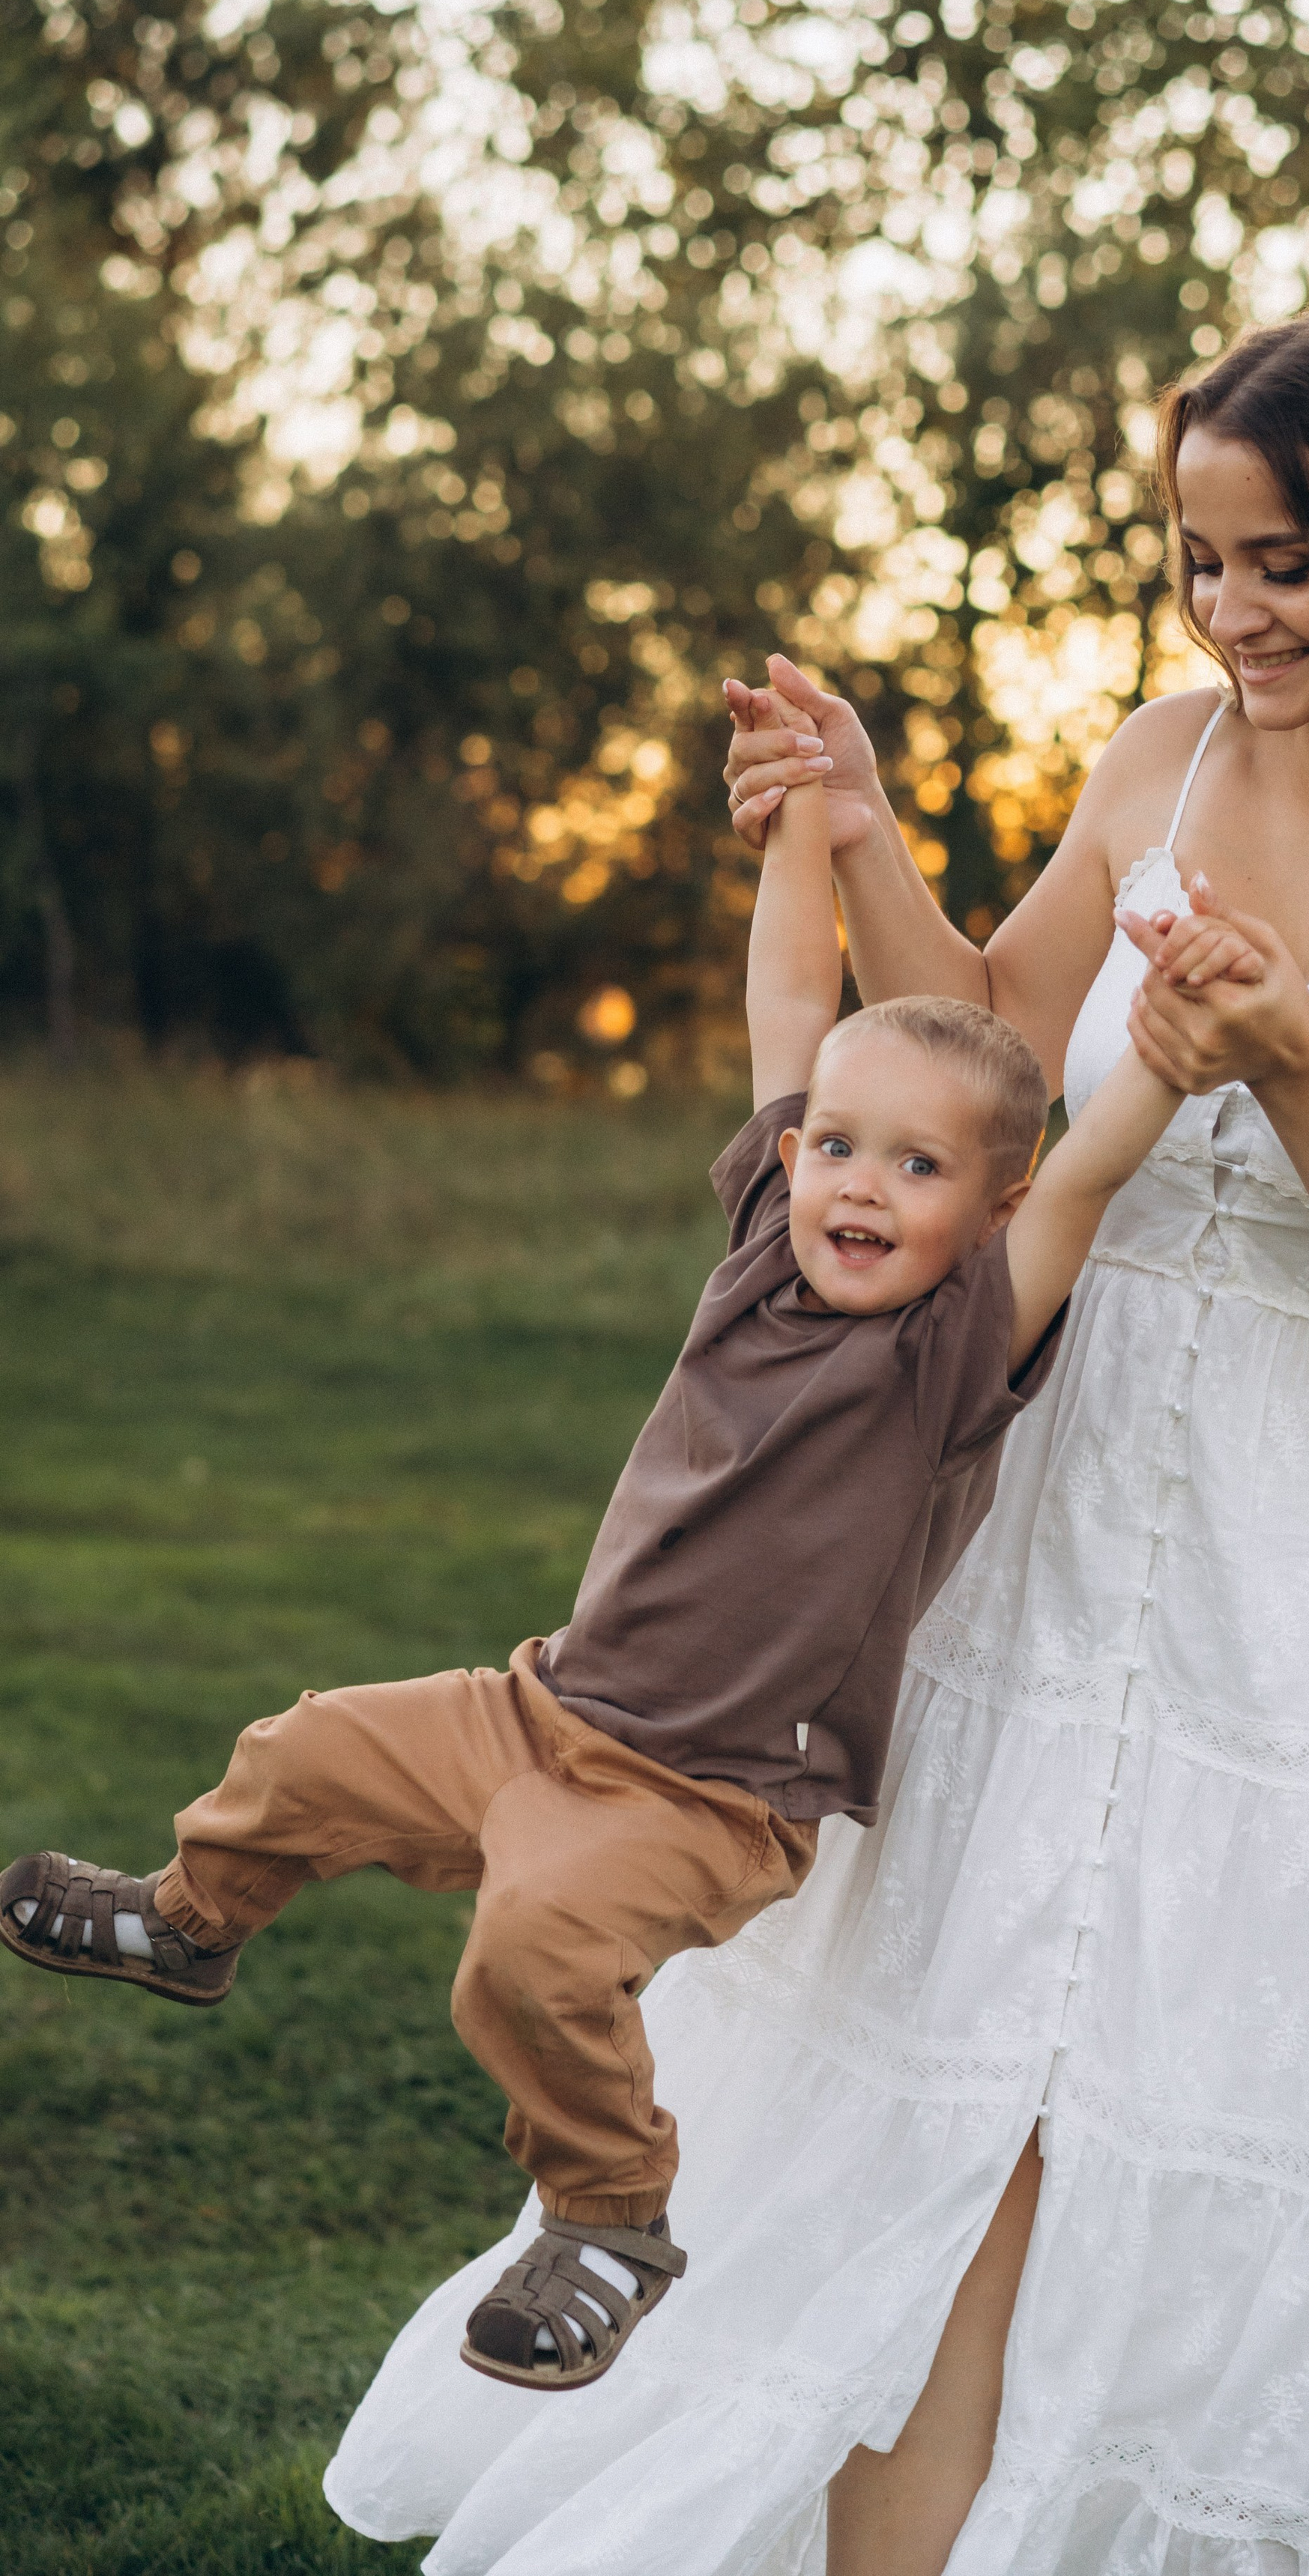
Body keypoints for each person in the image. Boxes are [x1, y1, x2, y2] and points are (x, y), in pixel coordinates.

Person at [326, 294, 1309, 2572]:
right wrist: (868, 839)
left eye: (1286, 562)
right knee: (982, 2095)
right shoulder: (1164, 756)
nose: (1232, 612)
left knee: (1276, 2103)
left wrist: (1293, 1052)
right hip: (1044, 1514)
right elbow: (984, 1032)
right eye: (1199, 557)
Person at [1, 700, 1244, 2392]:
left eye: (918, 1166)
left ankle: (609, 2218)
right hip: (544, 1708)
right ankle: (193, 1918)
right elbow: (787, 1005)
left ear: (991, 1214)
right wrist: (803, 817)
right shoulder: (759, 1244)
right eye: (835, 1148)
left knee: (530, 1953)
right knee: (296, 1753)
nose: (855, 1186)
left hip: (707, 1793)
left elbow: (1089, 1175)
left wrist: (1165, 1057)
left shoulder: (956, 1349)